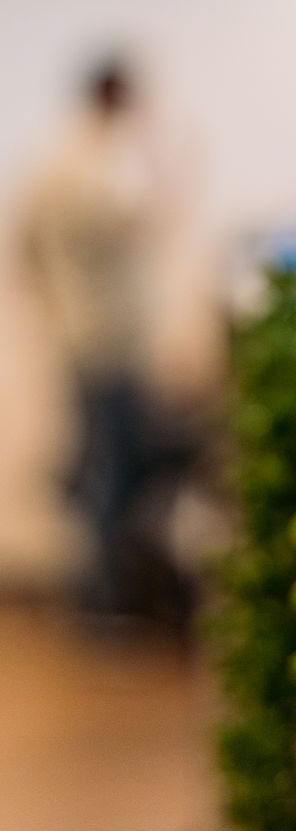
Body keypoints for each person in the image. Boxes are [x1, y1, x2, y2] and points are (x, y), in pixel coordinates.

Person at [17, 56, 215, 622]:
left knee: (100, 470)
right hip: (108, 345)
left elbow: (28, 248)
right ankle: (102, 607)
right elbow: (142, 227)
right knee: (111, 475)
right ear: (122, 100)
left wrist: (58, 313)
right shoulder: (94, 169)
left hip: (87, 340)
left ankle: (100, 601)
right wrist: (172, 164)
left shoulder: (57, 162)